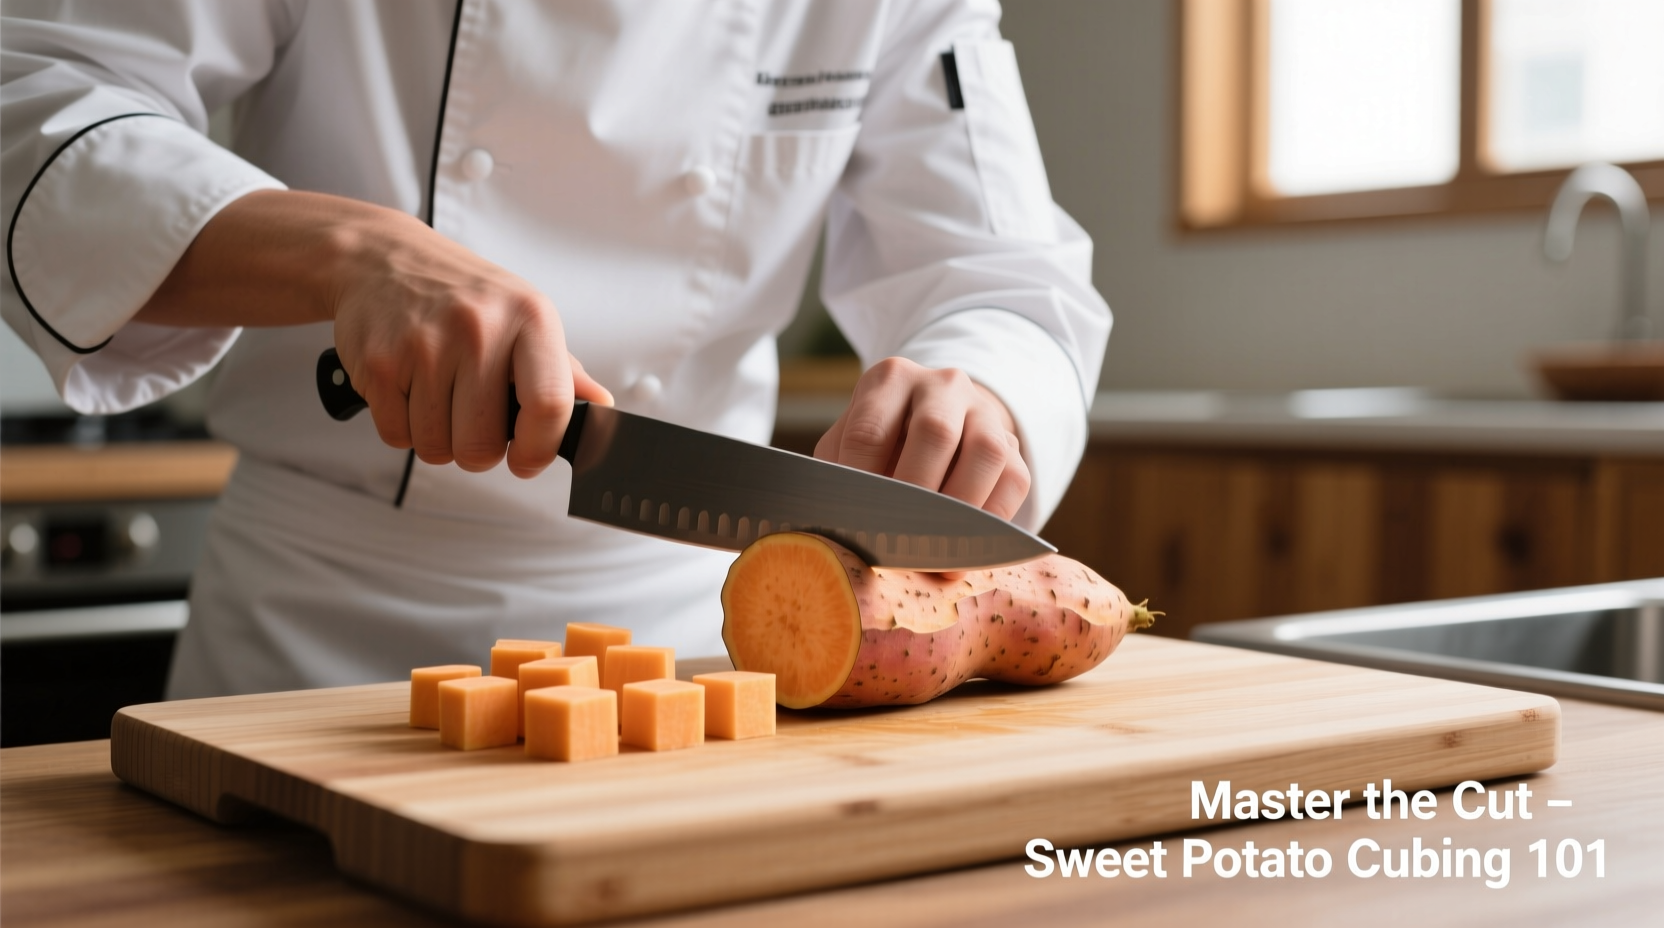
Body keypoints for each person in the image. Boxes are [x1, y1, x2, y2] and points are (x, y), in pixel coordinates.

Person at [2, 1, 1111, 699]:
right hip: (317, 635)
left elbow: (1005, 274)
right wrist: (358, 252)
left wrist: (985, 393)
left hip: (690, 647)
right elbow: (38, 95)